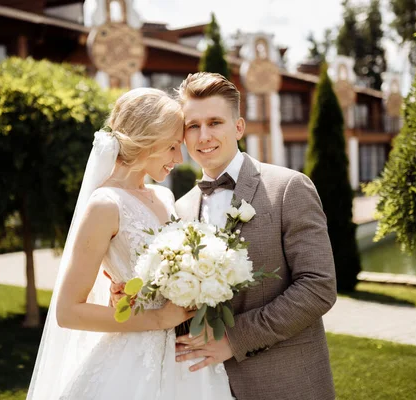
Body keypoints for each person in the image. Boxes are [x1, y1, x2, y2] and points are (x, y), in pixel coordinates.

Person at [111, 73, 338, 400]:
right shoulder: (178, 208)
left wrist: (234, 340)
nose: (204, 136)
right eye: (193, 126)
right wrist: (137, 295)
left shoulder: (288, 188)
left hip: (285, 383)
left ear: (239, 127)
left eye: (215, 122)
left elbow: (318, 286)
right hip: (202, 385)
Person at [27, 87, 233, 400]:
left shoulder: (163, 196)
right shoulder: (105, 205)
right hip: (132, 362)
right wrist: (158, 318)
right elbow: (67, 311)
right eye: (172, 147)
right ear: (146, 140)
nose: (179, 158)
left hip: (186, 354)